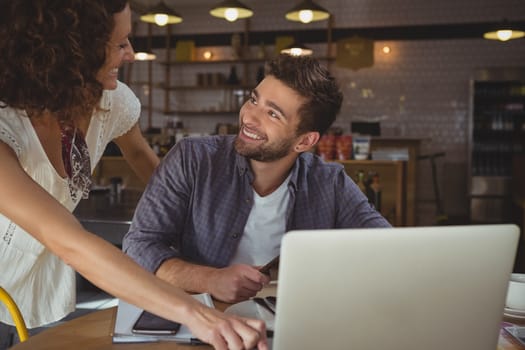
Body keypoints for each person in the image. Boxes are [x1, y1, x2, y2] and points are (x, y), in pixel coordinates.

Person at [0, 1, 267, 349]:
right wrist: (195, 313)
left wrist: (187, 219)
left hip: (30, 282)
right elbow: (69, 242)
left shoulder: (110, 102)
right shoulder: (5, 124)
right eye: (121, 43)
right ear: (70, 52)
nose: (133, 54)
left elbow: (140, 155)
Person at [123, 54, 392, 305]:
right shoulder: (192, 159)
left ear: (305, 141)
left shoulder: (330, 183)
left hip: (294, 321)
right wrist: (211, 279)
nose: (249, 117)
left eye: (272, 113)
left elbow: (388, 249)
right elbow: (138, 247)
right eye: (254, 100)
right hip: (202, 318)